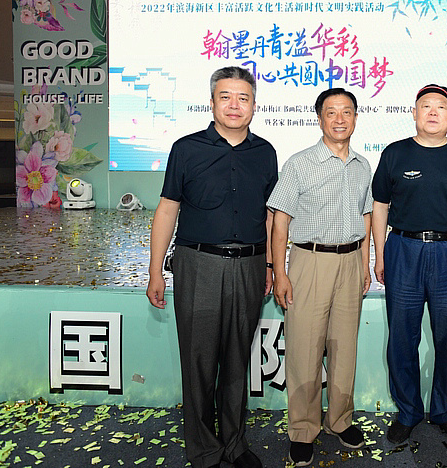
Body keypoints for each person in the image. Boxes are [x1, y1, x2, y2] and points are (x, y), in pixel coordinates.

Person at [146, 66, 277, 468]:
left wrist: (270, 264)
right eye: (226, 97)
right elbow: (167, 209)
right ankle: (204, 450)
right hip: (198, 264)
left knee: (238, 360)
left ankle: (235, 444)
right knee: (199, 360)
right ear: (212, 102)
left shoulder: (265, 152)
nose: (234, 105)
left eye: (243, 98)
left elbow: (270, 216)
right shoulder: (186, 149)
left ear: (254, 105)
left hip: (250, 265)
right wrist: (155, 271)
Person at [372, 83, 447, 445]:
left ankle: (446, 411)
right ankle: (407, 412)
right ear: (414, 113)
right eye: (426, 106)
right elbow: (380, 207)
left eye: (441, 107)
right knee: (402, 337)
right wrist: (380, 254)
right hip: (403, 249)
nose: (433, 112)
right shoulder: (395, 153)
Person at [268, 88, 373, 467]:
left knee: (344, 348)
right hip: (309, 262)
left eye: (347, 112)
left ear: (356, 117)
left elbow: (365, 217)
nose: (340, 119)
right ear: (319, 119)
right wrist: (279, 272)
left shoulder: (363, 165)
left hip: (351, 263)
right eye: (332, 112)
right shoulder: (299, 163)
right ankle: (302, 429)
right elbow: (279, 222)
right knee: (305, 349)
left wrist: (364, 264)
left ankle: (340, 420)